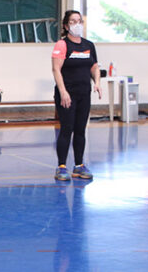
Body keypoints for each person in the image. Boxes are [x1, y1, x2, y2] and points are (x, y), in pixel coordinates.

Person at [51, 10, 101, 181]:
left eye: (79, 21)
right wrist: (63, 91)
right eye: (73, 21)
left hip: (84, 94)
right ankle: (61, 166)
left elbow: (94, 66)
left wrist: (97, 83)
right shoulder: (62, 45)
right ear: (66, 25)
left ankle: (79, 166)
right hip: (67, 94)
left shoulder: (88, 45)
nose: (77, 24)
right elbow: (56, 69)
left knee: (80, 130)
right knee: (67, 129)